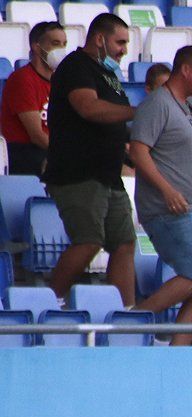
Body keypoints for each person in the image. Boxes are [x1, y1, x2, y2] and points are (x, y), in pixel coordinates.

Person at [129, 46, 192, 346]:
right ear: (185, 70)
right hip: (170, 209)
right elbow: (138, 150)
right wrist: (167, 190)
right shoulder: (157, 103)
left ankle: (176, 354)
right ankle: (131, 322)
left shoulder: (189, 108)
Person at [44, 13, 136, 307]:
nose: (124, 49)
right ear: (99, 39)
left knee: (124, 243)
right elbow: (88, 108)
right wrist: (137, 112)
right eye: (120, 42)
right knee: (88, 240)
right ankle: (47, 302)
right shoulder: (75, 66)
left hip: (109, 174)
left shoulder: (109, 74)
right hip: (78, 173)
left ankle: (125, 314)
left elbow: (112, 118)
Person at [0, 21, 67, 176]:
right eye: (55, 43)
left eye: (64, 44)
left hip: (51, 150)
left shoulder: (60, 81)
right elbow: (36, 135)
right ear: (36, 46)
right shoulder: (22, 79)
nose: (61, 50)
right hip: (25, 154)